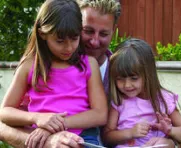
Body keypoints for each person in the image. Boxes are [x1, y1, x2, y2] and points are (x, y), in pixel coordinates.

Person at [0, 0, 179, 147]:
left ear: (114, 30)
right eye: (88, 31)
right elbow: (4, 122)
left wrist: (169, 139)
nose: (94, 41)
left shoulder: (127, 71)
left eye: (104, 33)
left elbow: (169, 121)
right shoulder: (34, 67)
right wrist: (46, 134)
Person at [0, 0, 108, 148]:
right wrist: (37, 118)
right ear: (43, 34)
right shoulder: (29, 66)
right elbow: (5, 112)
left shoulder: (89, 64)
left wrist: (56, 124)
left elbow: (100, 114)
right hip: (40, 137)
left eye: (74, 38)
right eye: (59, 41)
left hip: (82, 136)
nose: (69, 47)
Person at [103, 38, 181, 147]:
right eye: (120, 79)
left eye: (134, 78)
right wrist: (130, 133)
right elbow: (107, 137)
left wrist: (170, 130)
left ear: (148, 74)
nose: (127, 85)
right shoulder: (119, 100)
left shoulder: (163, 99)